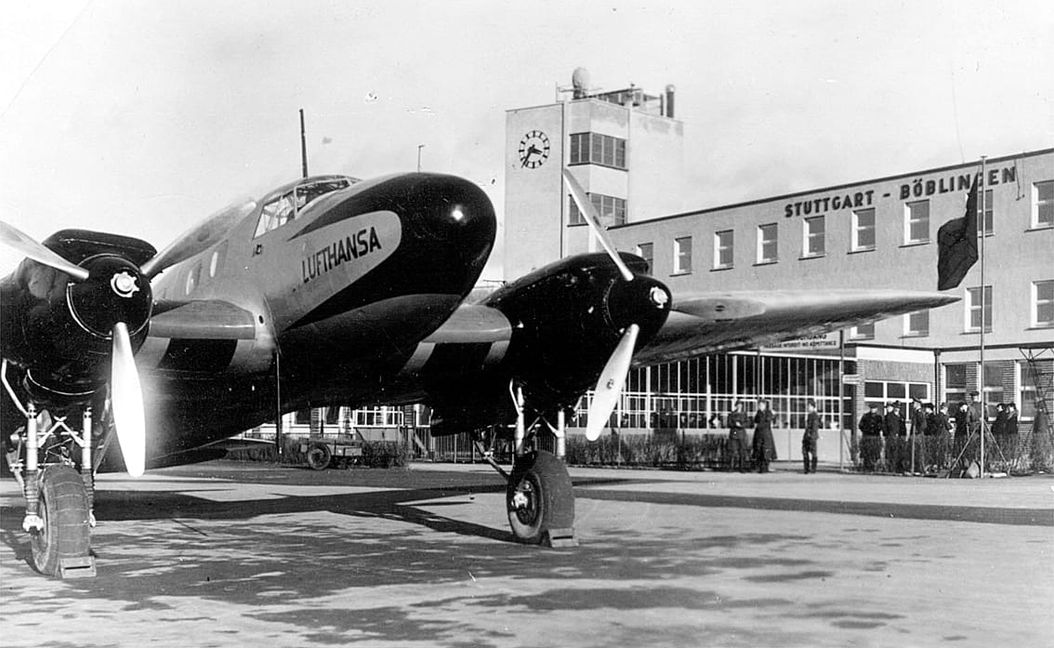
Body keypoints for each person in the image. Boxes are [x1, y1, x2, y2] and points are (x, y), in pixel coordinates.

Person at [752, 399, 777, 473]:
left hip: (766, 434)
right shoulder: (758, 413)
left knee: (766, 450)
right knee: (759, 450)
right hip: (759, 434)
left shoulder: (768, 413)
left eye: (761, 405)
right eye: (759, 405)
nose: (760, 407)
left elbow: (769, 420)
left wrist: (773, 415)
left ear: (765, 405)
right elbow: (756, 421)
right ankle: (760, 467)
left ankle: (765, 467)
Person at [858, 403, 884, 472]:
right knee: (866, 452)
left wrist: (878, 429)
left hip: (875, 436)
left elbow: (881, 426)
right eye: (872, 408)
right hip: (867, 436)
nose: (873, 410)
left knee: (875, 452)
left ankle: (874, 466)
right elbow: (860, 425)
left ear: (876, 409)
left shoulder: (879, 417)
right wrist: (866, 430)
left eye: (874, 408)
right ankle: (866, 466)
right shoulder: (865, 416)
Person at [726, 400, 749, 472]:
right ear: (736, 406)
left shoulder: (744, 414)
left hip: (741, 434)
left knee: (742, 451)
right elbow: (729, 423)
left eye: (740, 405)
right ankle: (731, 467)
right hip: (734, 434)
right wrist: (735, 424)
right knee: (732, 451)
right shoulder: (732, 414)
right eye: (738, 405)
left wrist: (741, 425)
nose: (739, 406)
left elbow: (748, 423)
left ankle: (742, 467)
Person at [802, 400, 820, 474]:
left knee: (813, 453)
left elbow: (814, 427)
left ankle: (813, 468)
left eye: (809, 406)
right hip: (807, 436)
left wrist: (812, 436)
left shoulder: (814, 416)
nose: (808, 408)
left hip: (811, 437)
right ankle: (807, 468)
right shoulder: (809, 415)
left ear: (813, 407)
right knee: (804, 451)